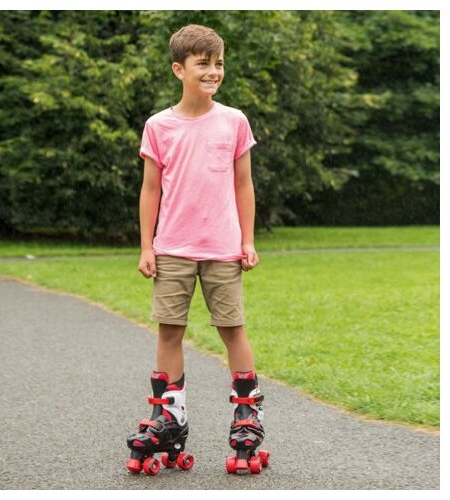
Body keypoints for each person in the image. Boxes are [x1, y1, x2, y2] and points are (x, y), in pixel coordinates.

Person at [126, 24, 268, 476]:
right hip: (172, 247)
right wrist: (147, 246)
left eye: (218, 63)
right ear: (178, 69)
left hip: (223, 247)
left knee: (232, 328)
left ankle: (247, 414)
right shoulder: (159, 126)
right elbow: (150, 190)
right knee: (169, 330)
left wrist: (247, 239)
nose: (213, 71)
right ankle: (170, 415)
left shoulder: (234, 121)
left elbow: (243, 184)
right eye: (203, 63)